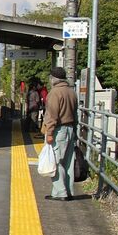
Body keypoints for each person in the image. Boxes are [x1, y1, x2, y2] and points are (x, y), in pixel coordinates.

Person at [41, 66, 79, 201]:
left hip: (59, 130)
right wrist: (75, 130)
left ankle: (60, 192)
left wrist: (49, 133)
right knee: (68, 162)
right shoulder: (72, 92)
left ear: (53, 78)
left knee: (56, 162)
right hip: (70, 129)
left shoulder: (54, 93)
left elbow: (52, 115)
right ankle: (68, 191)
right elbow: (75, 114)